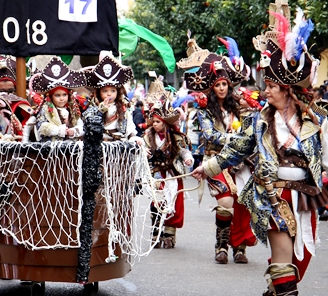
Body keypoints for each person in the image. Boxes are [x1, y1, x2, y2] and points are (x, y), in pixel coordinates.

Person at [194, 4, 328, 296]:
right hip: (272, 194)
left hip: (305, 195)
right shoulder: (259, 121)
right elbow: (236, 151)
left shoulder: (314, 122)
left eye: (270, 86)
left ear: (287, 90)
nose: (264, 90)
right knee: (282, 251)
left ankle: (276, 293)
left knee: (302, 255)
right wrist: (208, 167)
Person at [181, 37, 258, 264]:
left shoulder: (240, 107)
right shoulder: (204, 111)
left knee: (243, 203)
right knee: (226, 203)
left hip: (241, 162)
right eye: (218, 85)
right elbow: (210, 135)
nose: (222, 88)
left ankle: (240, 247)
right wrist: (236, 139)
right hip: (214, 160)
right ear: (212, 87)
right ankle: (221, 246)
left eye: (225, 84)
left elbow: (250, 133)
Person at [143, 82, 193, 249]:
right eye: (153, 121)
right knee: (157, 202)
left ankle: (169, 235)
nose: (155, 124)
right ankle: (156, 233)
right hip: (157, 173)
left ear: (165, 122)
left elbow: (183, 151)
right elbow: (143, 150)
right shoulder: (148, 137)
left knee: (174, 203)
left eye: (158, 121)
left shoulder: (176, 137)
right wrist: (145, 153)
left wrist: (188, 159)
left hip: (173, 174)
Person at [84, 53, 141, 143]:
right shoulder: (93, 106)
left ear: (117, 92)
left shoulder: (122, 106)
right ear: (99, 93)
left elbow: (129, 125)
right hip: (100, 143)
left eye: (113, 91)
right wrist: (100, 110)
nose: (109, 94)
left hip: (118, 143)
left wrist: (133, 136)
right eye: (105, 91)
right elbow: (87, 121)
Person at [32, 57, 86, 142]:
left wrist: (75, 131)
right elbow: (41, 126)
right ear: (50, 97)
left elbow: (81, 125)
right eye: (57, 95)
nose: (62, 98)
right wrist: (59, 130)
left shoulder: (72, 108)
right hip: (52, 147)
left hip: (71, 147)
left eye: (64, 95)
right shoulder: (46, 109)